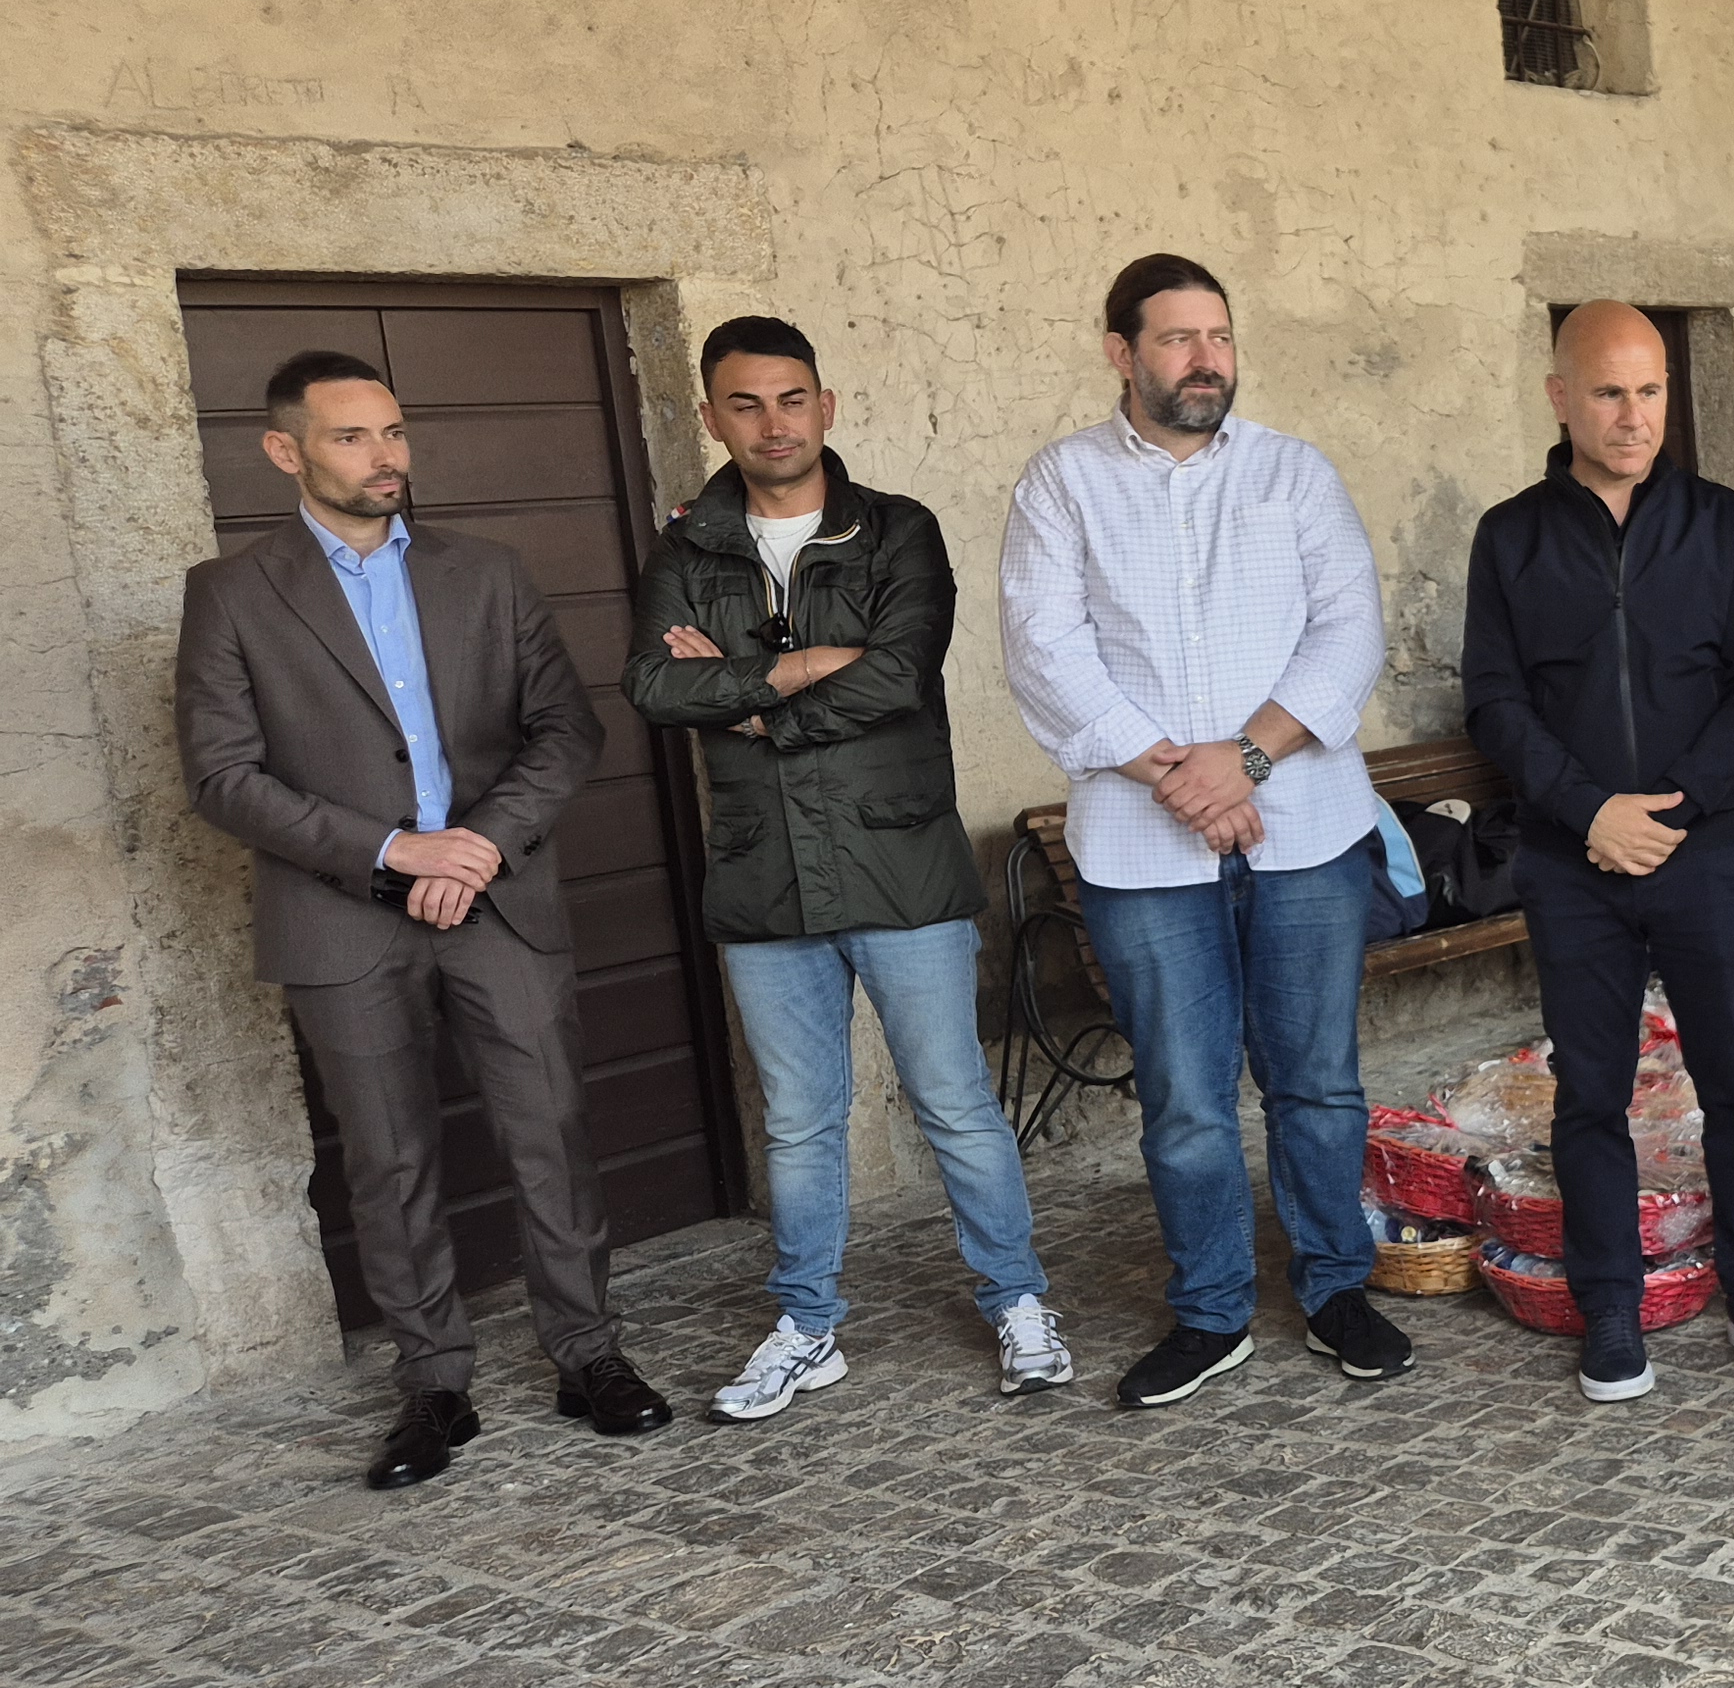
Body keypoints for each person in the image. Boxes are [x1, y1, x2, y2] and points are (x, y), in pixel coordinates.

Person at [175, 349, 669, 1488]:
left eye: (393, 431)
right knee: (388, 1159)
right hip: (340, 919)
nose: (384, 455)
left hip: (498, 901)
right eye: (352, 436)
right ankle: (434, 1384)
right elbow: (222, 777)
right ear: (285, 451)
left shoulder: (487, 573)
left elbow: (567, 729)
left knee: (550, 1132)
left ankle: (587, 1353)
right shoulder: (232, 594)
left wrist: (478, 845)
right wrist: (396, 852)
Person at [625, 315, 1069, 1421]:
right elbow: (655, 688)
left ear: (824, 406)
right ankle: (806, 1324)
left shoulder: (896, 530)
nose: (772, 424)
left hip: (898, 860)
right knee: (799, 1120)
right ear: (712, 417)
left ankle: (1018, 1301)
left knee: (954, 1102)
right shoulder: (685, 551)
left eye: (791, 400)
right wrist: (803, 667)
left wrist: (746, 699)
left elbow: (899, 675)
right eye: (745, 404)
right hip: (762, 872)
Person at [1001, 253, 1408, 1409]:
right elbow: (1044, 649)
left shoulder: (1294, 473)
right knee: (1184, 1101)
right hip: (1142, 847)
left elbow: (1348, 634)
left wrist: (1247, 760)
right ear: (1120, 352)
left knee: (1317, 1083)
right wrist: (1178, 775)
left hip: (1307, 835)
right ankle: (1212, 1311)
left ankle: (1335, 1288)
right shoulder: (1064, 483)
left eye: (1218, 336)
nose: (1205, 359)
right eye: (1177, 338)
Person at [1464, 301, 1734, 1404]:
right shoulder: (1511, 536)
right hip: (1575, 862)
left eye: (1650, 391)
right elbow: (1495, 702)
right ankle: (1608, 1302)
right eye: (1609, 392)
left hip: (1708, 852)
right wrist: (1589, 812)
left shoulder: (1721, 523)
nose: (1633, 416)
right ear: (1560, 397)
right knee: (1589, 1092)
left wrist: (1674, 806)